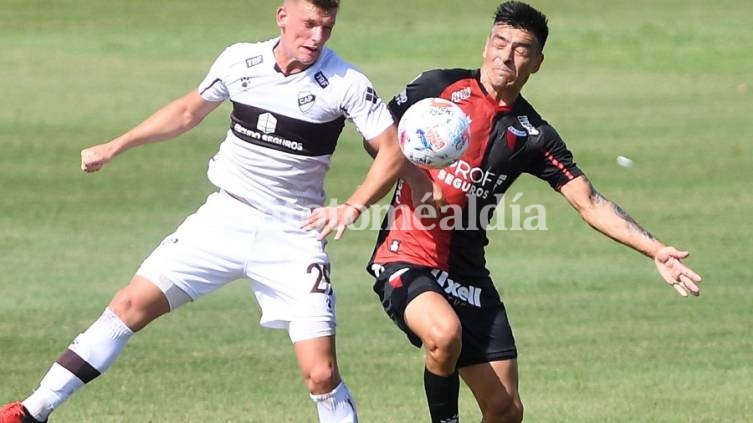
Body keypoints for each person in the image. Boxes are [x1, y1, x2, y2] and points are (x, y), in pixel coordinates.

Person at [0, 0, 404, 422]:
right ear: (282, 16)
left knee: (320, 374)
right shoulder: (239, 60)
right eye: (309, 24)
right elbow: (187, 111)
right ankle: (32, 410)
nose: (317, 38)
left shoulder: (346, 82)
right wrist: (115, 145)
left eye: (327, 26)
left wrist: (354, 206)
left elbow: (390, 153)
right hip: (223, 219)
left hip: (292, 236)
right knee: (128, 305)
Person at [366, 1, 703, 422]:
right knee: (443, 335)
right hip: (406, 253)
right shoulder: (438, 87)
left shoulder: (533, 134)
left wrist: (653, 249)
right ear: (486, 44)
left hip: (467, 272)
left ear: (537, 63)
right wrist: (419, 182)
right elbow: (377, 136)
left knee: (506, 410)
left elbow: (590, 202)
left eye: (521, 49)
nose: (505, 55)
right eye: (499, 42)